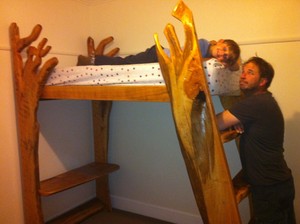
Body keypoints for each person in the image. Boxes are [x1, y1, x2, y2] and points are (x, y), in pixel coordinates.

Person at [216, 57, 296, 223]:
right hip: (277, 183)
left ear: (262, 81)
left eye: (250, 73)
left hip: (270, 188)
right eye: (243, 71)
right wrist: (238, 122)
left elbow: (215, 122)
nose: (243, 75)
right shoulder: (264, 101)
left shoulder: (255, 103)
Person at [93, 39, 241, 71]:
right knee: (125, 63)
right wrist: (211, 59)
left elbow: (235, 68)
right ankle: (94, 60)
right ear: (220, 41)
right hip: (157, 55)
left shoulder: (210, 57)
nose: (221, 54)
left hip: (159, 58)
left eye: (225, 56)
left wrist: (228, 63)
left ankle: (97, 59)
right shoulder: (202, 44)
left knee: (126, 62)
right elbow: (189, 60)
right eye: (224, 48)